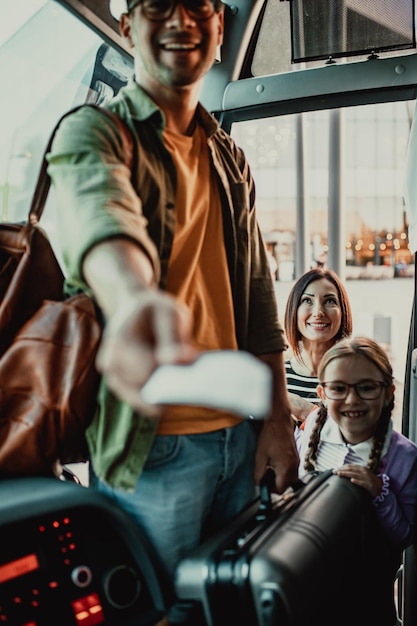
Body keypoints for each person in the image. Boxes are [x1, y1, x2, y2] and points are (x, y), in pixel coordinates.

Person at [46, 0, 299, 623]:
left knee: (231, 607)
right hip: (152, 450)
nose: (182, 21)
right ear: (127, 26)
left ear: (219, 29)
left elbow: (258, 291)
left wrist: (276, 420)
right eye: (159, 5)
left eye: (201, 6)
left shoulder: (226, 153)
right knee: (158, 614)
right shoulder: (97, 131)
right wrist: (134, 304)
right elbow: (102, 218)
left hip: (238, 439)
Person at [297, 336, 417, 626]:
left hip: (368, 597)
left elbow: (405, 537)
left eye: (366, 388)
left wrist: (380, 493)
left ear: (388, 393)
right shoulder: (312, 427)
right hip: (307, 583)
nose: (352, 400)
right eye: (339, 388)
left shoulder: (404, 457)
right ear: (322, 393)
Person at [283, 267, 352, 425]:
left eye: (329, 301)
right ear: (294, 310)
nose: (318, 312)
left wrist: (307, 411)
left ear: (343, 312)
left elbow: (361, 435)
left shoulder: (356, 376)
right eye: (307, 300)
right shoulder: (277, 378)